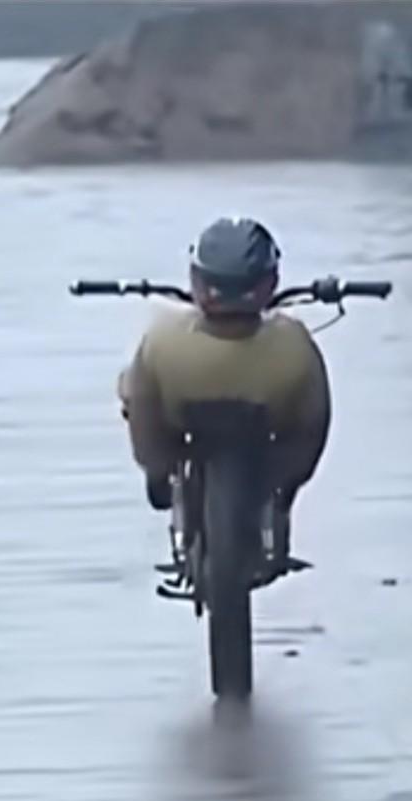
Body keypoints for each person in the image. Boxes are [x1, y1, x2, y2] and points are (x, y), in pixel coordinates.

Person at [115, 216, 331, 567]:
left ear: (198, 279)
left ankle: (159, 473)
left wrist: (154, 466)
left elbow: (139, 398)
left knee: (135, 387)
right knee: (307, 417)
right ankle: (282, 492)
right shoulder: (293, 345)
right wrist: (292, 474)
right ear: (269, 281)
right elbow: (312, 418)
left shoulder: (163, 340)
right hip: (269, 410)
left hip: (179, 404)